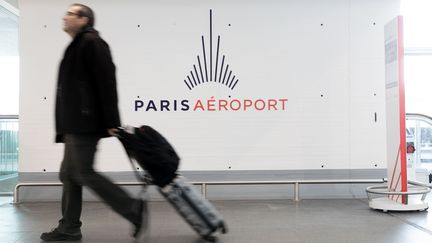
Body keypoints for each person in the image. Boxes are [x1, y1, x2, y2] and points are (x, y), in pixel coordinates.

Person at [40, 3, 146, 241]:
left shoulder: (92, 43)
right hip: (74, 123)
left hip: (85, 123)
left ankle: (132, 208)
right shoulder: (77, 45)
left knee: (83, 172)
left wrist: (111, 120)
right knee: (69, 174)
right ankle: (69, 227)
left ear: (84, 19)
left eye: (70, 13)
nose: (64, 17)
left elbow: (107, 82)